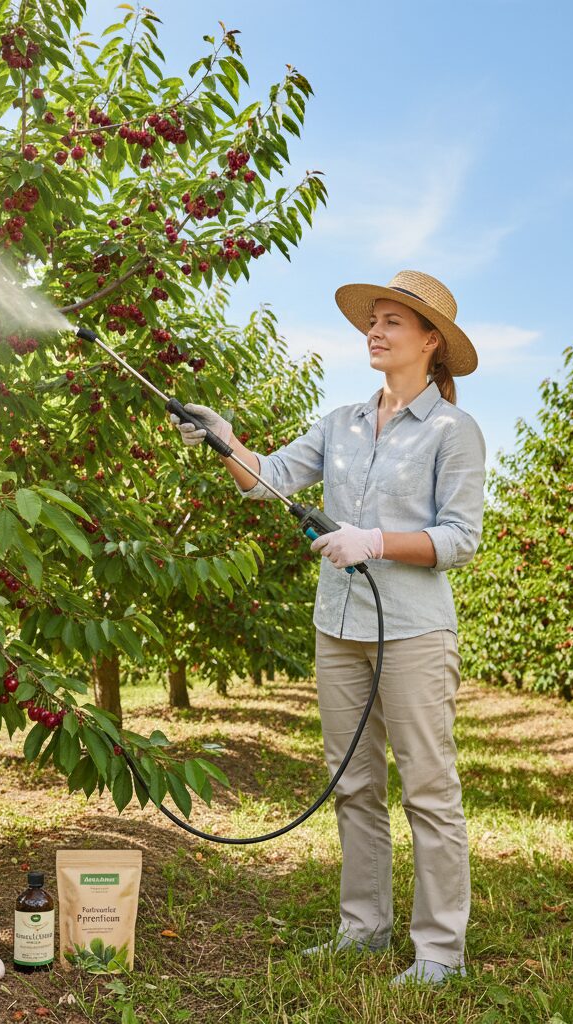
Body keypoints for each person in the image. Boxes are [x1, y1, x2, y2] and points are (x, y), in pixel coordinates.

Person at [170, 270, 485, 988]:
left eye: (393, 323)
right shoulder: (340, 423)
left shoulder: (452, 430)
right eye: (372, 321)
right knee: (354, 785)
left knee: (428, 792)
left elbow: (461, 538)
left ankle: (439, 951)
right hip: (338, 627)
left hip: (412, 632)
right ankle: (365, 930)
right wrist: (224, 439)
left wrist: (372, 539)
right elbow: (268, 476)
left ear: (431, 341)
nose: (374, 331)